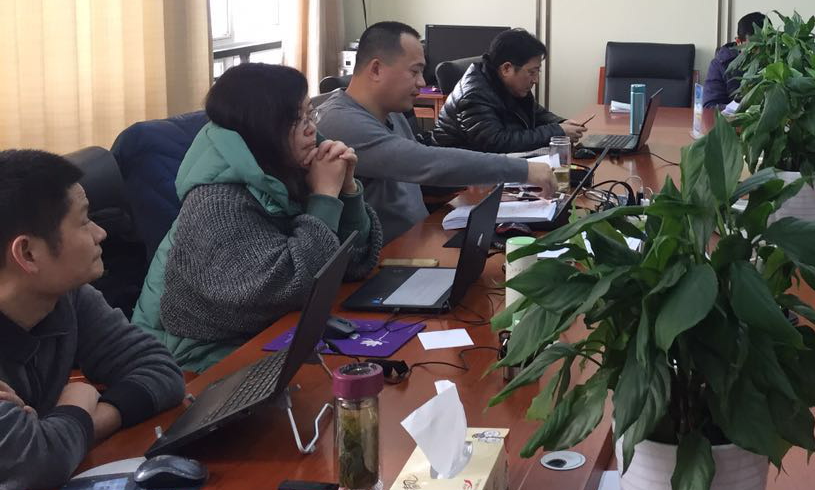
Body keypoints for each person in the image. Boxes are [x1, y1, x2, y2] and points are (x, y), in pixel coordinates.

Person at [132, 64, 384, 373]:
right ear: (262, 127)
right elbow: (290, 288)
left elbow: (354, 264)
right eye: (296, 120)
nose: (310, 129)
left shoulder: (286, 166)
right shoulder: (216, 204)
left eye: (310, 114)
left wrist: (347, 189)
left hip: (270, 328)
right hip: (196, 356)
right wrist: (324, 198)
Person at [0, 150, 184, 490]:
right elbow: (38, 462)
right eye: (84, 221)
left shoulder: (65, 297)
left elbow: (161, 370)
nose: (101, 233)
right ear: (28, 254)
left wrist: (77, 416)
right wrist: (77, 403)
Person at [315, 22, 554, 244]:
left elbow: (421, 176)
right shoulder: (341, 123)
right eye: (414, 72)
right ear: (376, 69)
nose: (422, 82)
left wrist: (483, 179)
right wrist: (523, 170)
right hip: (387, 254)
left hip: (422, 237)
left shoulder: (391, 111)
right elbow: (422, 162)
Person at [433, 29, 585, 153]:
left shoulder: (509, 83)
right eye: (532, 72)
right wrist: (557, 132)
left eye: (537, 71)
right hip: (459, 171)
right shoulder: (473, 95)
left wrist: (561, 123)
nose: (536, 80)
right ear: (507, 68)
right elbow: (497, 143)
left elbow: (536, 112)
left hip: (495, 162)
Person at [702, 11, 766, 109]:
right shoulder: (721, 64)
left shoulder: (781, 59)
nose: (759, 52)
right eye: (754, 47)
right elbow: (710, 106)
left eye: (765, 45)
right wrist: (742, 109)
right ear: (738, 42)